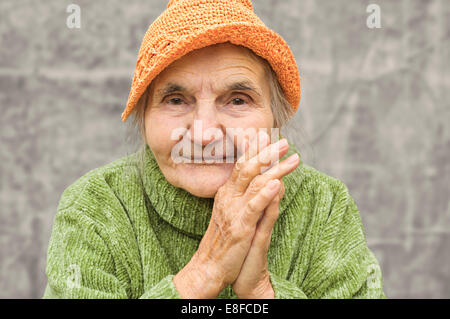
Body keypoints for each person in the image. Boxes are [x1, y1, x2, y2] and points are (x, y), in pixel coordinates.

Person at [43, 0, 386, 299]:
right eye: (175, 100)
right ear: (144, 118)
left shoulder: (324, 206)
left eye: (238, 100)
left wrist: (261, 292)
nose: (204, 134)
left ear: (274, 118)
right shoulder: (94, 207)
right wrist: (203, 273)